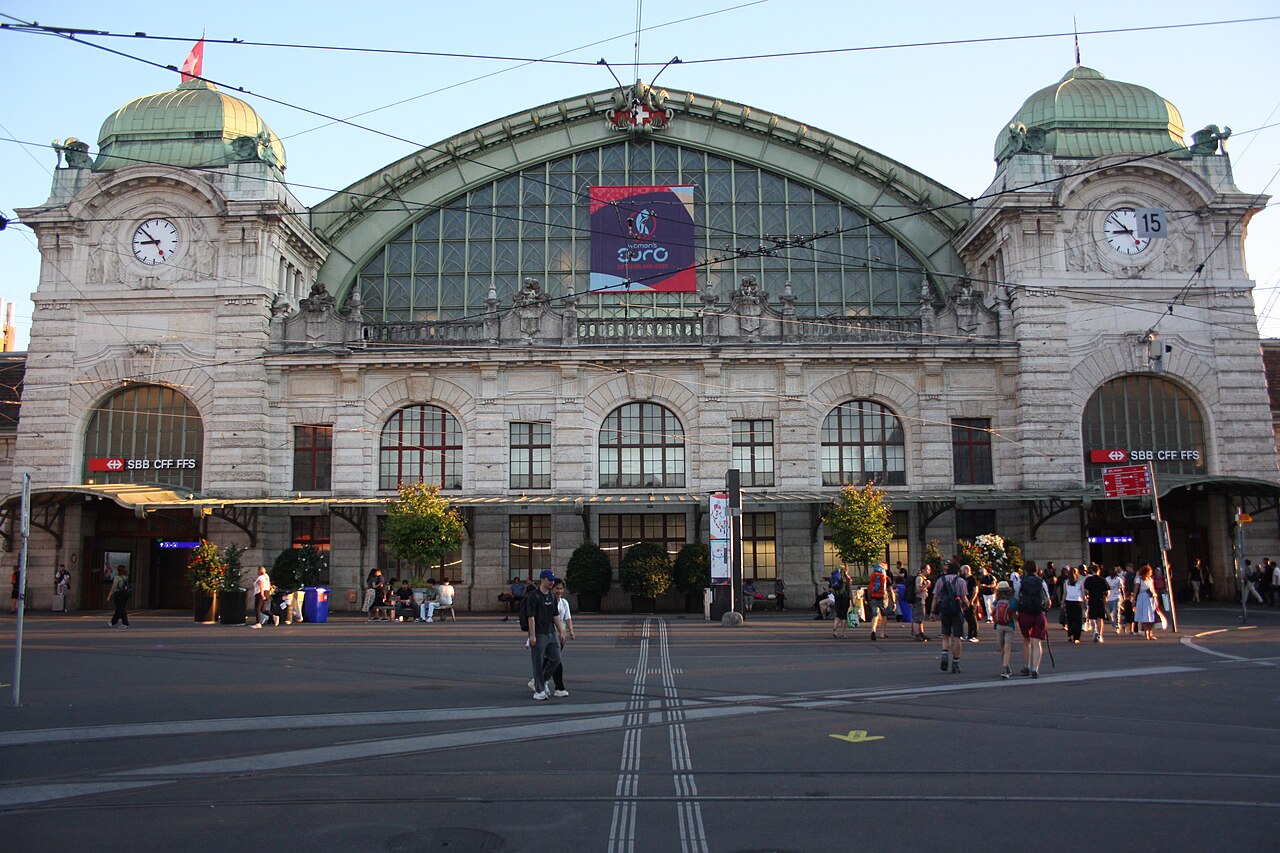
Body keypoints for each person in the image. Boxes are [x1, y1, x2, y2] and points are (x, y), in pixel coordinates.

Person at [520, 569, 564, 700]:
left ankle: (540, 681)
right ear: (542, 579)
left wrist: (561, 630)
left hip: (551, 632)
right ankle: (539, 691)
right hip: (539, 633)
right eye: (549, 580)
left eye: (553, 580)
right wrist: (532, 635)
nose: (552, 583)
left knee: (556, 658)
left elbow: (555, 615)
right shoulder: (534, 596)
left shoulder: (551, 596)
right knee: (538, 662)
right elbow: (531, 617)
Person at [932, 562, 967, 674]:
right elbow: (964, 597)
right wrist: (967, 605)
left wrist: (932, 611)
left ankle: (945, 653)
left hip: (945, 609)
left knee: (946, 634)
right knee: (957, 636)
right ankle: (956, 663)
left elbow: (935, 596)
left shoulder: (940, 580)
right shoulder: (960, 581)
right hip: (956, 610)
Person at [1016, 567, 1049, 678]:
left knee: (1026, 640)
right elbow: (1048, 600)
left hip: (1024, 614)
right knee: (1037, 642)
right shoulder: (1041, 582)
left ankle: (1026, 666)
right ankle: (1035, 668)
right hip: (1038, 614)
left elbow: (1017, 598)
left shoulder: (1021, 582)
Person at [548, 578, 575, 697]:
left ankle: (538, 680)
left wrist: (571, 630)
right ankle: (558, 687)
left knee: (551, 660)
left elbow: (567, 618)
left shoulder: (564, 602)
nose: (559, 591)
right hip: (550, 633)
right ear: (552, 589)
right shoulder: (548, 601)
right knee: (555, 659)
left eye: (561, 588)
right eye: (557, 588)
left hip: (561, 634)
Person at [993, 580, 1017, 678]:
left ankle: (1007, 666)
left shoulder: (996, 601)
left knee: (1002, 647)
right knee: (1007, 647)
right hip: (1009, 625)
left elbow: (992, 611)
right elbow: (1015, 613)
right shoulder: (1012, 601)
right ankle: (1004, 668)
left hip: (999, 625)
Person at [866, 562, 895, 641]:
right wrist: (894, 602)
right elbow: (891, 590)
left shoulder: (873, 575)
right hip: (883, 597)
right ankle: (882, 633)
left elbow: (869, 588)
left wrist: (869, 598)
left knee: (875, 615)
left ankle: (873, 630)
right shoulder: (886, 576)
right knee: (884, 615)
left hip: (873, 597)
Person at [1083, 564, 1109, 643]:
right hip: (1101, 600)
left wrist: (1086, 596)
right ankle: (1100, 635)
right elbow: (1106, 591)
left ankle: (1095, 631)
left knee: (1093, 617)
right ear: (1099, 570)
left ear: (1091, 571)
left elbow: (1085, 590)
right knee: (1100, 618)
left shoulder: (1088, 580)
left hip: (1092, 599)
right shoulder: (1103, 579)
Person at [1134, 564, 1159, 640]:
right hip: (1143, 597)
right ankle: (1146, 633)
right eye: (1149, 572)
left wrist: (1155, 598)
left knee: (1151, 616)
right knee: (1145, 616)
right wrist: (1134, 600)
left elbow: (1153, 589)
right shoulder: (1139, 580)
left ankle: (1150, 632)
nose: (1150, 573)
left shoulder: (1151, 580)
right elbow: (1136, 590)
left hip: (1150, 598)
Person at [1063, 566, 1085, 643]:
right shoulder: (1080, 582)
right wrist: (1084, 602)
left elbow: (1065, 593)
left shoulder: (1066, 582)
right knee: (1078, 620)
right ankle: (1076, 637)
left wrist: (1063, 602)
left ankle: (1070, 635)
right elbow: (1083, 593)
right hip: (1077, 601)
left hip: (1069, 601)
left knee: (1070, 619)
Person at [909, 564, 931, 642]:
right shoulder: (919, 578)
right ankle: (917, 634)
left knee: (921, 618)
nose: (929, 571)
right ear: (923, 570)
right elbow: (918, 590)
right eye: (928, 569)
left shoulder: (923, 578)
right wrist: (926, 585)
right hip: (918, 600)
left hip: (922, 600)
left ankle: (921, 633)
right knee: (917, 618)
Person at [960, 564, 980, 643]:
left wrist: (972, 600)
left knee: (972, 617)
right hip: (965, 600)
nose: (961, 572)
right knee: (967, 618)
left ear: (966, 570)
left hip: (971, 601)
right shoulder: (963, 578)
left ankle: (974, 635)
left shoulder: (972, 578)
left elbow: (976, 590)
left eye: (962, 570)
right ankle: (969, 635)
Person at [832, 570, 853, 639]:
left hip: (837, 598)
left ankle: (835, 628)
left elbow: (832, 589)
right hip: (845, 598)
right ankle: (842, 633)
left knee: (838, 615)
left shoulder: (835, 578)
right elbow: (850, 590)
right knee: (844, 616)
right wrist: (852, 601)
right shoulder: (848, 579)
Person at [1105, 567, 1125, 634]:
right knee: (1109, 613)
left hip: (1117, 597)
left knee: (1116, 612)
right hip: (1109, 598)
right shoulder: (1107, 579)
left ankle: (1117, 626)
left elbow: (1122, 589)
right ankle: (1114, 624)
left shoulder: (1119, 580)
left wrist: (1123, 598)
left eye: (1113, 572)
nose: (1112, 573)